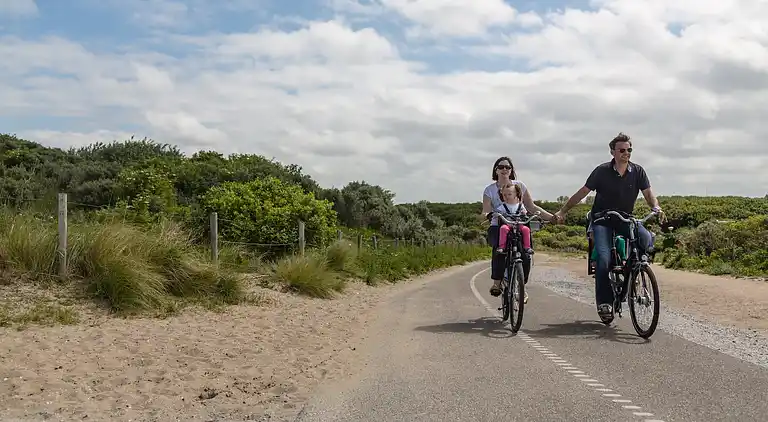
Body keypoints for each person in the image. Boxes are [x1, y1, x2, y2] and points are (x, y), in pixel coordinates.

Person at [553, 133, 665, 322]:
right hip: (602, 220)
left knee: (645, 238)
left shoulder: (638, 171)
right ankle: (604, 302)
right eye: (622, 150)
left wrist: (656, 207)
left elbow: (648, 193)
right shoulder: (601, 171)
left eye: (629, 150)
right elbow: (582, 193)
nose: (626, 153)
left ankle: (636, 268)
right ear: (613, 152)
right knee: (604, 259)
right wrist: (563, 211)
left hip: (625, 219)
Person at [481, 156, 554, 300]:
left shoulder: (519, 185)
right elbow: (485, 210)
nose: (504, 170)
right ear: (495, 170)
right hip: (500, 223)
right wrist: (487, 215)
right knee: (498, 250)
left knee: (526, 255)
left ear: (511, 170)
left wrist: (551, 217)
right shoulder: (489, 190)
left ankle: (521, 286)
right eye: (501, 167)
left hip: (519, 223)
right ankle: (497, 283)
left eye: (507, 167)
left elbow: (531, 207)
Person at [495, 182, 533, 256]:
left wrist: (524, 213)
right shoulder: (503, 206)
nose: (506, 197)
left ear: (516, 194)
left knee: (526, 229)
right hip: (508, 224)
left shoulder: (520, 205)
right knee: (503, 228)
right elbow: (497, 212)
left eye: (509, 194)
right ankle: (502, 247)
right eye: (504, 195)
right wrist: (496, 214)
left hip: (519, 224)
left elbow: (524, 212)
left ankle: (527, 247)